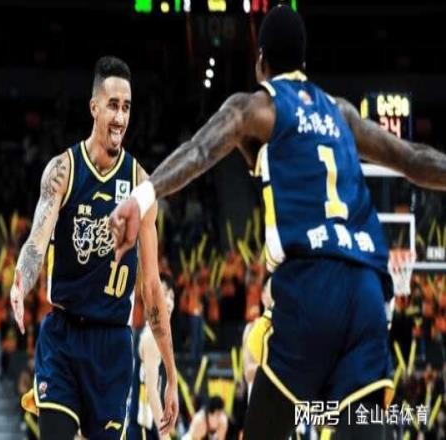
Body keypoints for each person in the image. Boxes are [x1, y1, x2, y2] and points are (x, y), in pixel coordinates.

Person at [110, 5, 446, 439]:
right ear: (304, 61)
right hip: (367, 290)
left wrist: (141, 197)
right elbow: (414, 159)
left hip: (312, 285)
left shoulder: (258, 108)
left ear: (260, 60)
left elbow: (199, 151)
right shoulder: (341, 113)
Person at [10, 56, 178, 440]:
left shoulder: (141, 185)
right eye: (113, 105)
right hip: (63, 336)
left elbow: (152, 288)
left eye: (126, 107)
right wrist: (21, 280)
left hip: (112, 346)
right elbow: (36, 242)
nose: (120, 117)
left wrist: (170, 374)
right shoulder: (63, 170)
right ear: (94, 108)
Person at [127, 274, 175, 440]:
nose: (169, 301)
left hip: (150, 427)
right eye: (164, 295)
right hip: (142, 427)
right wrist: (165, 434)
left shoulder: (162, 337)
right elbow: (151, 390)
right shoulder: (151, 337)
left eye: (172, 297)